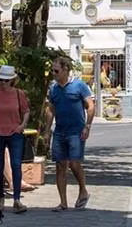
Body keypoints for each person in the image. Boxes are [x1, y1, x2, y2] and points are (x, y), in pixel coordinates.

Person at [43, 56, 94, 211]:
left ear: (65, 69)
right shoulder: (54, 89)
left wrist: (87, 126)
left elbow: (90, 106)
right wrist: (46, 131)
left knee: (74, 163)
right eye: (52, 70)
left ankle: (83, 190)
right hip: (59, 131)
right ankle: (63, 202)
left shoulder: (79, 86)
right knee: (60, 165)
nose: (54, 73)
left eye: (56, 70)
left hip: (76, 131)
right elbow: (51, 109)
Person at [0, 65, 30, 214]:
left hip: (15, 133)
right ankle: (1, 198)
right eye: (2, 80)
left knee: (16, 165)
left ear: (12, 80)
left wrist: (22, 125)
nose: (4, 83)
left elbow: (26, 111)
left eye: (7, 80)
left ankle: (17, 199)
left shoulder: (19, 94)